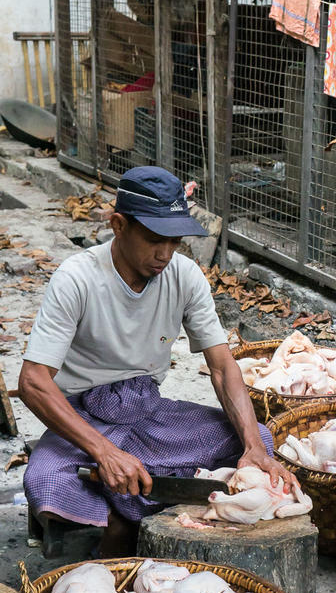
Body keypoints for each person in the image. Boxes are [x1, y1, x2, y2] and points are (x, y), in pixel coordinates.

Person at [19, 166, 295, 556]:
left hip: (149, 411)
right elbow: (33, 382)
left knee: (260, 440)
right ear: (118, 225)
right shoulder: (77, 278)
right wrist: (104, 452)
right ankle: (118, 522)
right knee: (46, 480)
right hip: (84, 415)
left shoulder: (185, 276)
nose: (165, 253)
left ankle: (134, 505)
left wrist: (251, 446)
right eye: (153, 240)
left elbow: (222, 366)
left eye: (174, 241)